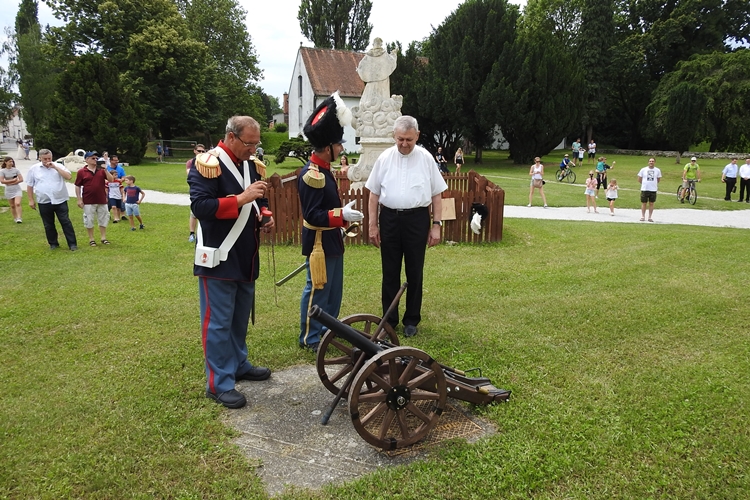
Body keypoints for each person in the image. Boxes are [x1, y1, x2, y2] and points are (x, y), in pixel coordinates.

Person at [188, 115, 274, 409]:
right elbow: (201, 207)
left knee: (238, 319)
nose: (253, 149)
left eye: (255, 143)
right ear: (231, 137)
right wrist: (241, 198)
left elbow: (258, 196)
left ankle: (238, 364)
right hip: (220, 257)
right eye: (249, 143)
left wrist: (265, 213)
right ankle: (218, 383)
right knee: (218, 324)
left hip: (246, 255)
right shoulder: (207, 164)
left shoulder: (250, 163)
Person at [366, 115, 447, 337]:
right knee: (389, 272)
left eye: (409, 140)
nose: (404, 144)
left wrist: (436, 225)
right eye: (400, 139)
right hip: (390, 219)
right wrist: (373, 226)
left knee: (415, 271)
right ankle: (389, 320)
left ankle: (412, 319)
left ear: (417, 136)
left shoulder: (427, 159)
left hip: (417, 220)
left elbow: (437, 194)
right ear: (394, 135)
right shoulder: (384, 158)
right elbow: (373, 194)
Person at [297, 93, 364, 353]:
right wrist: (340, 216)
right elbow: (313, 215)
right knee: (317, 290)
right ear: (327, 148)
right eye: (339, 145)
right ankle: (309, 337)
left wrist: (343, 221)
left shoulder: (324, 171)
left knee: (334, 292)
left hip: (331, 240)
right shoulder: (312, 175)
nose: (342, 149)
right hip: (318, 244)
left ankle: (326, 328)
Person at [25, 149, 78, 251]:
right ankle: (53, 243)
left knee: (65, 221)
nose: (47, 160)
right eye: (45, 159)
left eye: (49, 158)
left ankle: (72, 244)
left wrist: (56, 168)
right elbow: (30, 185)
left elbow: (69, 177)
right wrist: (31, 200)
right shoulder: (34, 169)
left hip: (60, 200)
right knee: (48, 224)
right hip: (44, 201)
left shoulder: (59, 166)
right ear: (40, 158)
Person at [75, 151, 115, 246]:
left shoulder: (101, 170)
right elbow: (77, 186)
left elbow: (111, 180)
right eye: (93, 158)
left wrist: (105, 170)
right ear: (87, 160)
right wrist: (79, 199)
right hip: (88, 200)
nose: (95, 160)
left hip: (101, 199)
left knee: (103, 218)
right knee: (89, 219)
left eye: (96, 158)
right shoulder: (81, 172)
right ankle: (91, 239)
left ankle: (103, 237)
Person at [187, 144, 206, 242]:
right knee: (194, 213)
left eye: (203, 151)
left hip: (206, 191)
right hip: (196, 192)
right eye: (199, 151)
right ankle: (191, 234)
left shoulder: (208, 162)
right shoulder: (191, 162)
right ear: (195, 151)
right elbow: (190, 175)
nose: (201, 153)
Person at [638, 158, 662, 222]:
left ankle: (650, 217)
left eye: (652, 161)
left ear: (655, 162)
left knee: (651, 203)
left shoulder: (657, 170)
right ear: (648, 162)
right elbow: (639, 179)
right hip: (645, 188)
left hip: (653, 189)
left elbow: (658, 179)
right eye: (650, 161)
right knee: (644, 203)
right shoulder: (643, 169)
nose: (651, 162)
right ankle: (643, 216)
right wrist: (644, 184)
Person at [1, 156, 24, 223]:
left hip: (17, 189)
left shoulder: (16, 170)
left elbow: (21, 179)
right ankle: (15, 218)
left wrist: (15, 182)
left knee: (17, 203)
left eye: (12, 161)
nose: (11, 163)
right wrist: (12, 181)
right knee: (12, 205)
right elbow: (2, 181)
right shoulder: (2, 171)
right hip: (8, 190)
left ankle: (19, 218)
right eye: (9, 161)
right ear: (5, 162)